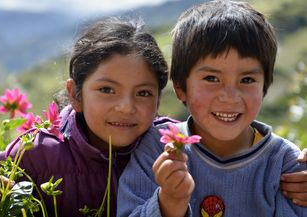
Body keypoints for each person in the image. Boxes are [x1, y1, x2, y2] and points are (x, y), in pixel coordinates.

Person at [0, 17, 172, 216]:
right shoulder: (41, 152)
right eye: (107, 90)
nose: (126, 108)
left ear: (158, 100)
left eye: (143, 93)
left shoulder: (170, 147)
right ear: (75, 94)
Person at [116, 1, 307, 216]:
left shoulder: (287, 164)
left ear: (265, 87)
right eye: (211, 78)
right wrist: (169, 202)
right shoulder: (158, 147)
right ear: (180, 88)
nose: (230, 96)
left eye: (247, 79)